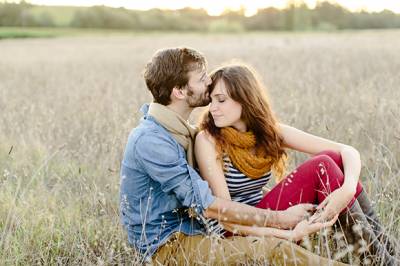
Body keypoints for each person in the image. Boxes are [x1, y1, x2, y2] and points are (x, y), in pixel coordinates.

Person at [119, 47, 346, 265]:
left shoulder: (179, 130)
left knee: (325, 166)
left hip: (196, 230)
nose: (208, 82)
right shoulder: (152, 141)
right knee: (276, 248)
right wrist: (281, 219)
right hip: (170, 246)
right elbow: (208, 206)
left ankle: (372, 249)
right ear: (179, 91)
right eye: (201, 79)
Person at [195, 63, 398, 265]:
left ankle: (387, 255)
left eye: (221, 100)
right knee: (322, 166)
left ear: (245, 99)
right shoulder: (208, 140)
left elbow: (347, 151)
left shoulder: (268, 132)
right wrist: (285, 234)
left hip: (266, 215)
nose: (213, 108)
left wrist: (347, 189)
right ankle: (380, 260)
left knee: (333, 158)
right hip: (238, 232)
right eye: (211, 100)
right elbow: (225, 217)